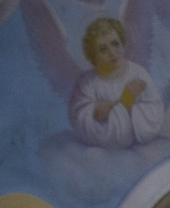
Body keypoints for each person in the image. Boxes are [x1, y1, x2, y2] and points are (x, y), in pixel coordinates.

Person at [66, 19, 162, 152]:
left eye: (115, 44)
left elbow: (155, 110)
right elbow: (78, 117)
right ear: (93, 56)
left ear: (122, 43)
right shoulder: (87, 83)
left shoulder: (138, 73)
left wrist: (130, 109)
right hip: (102, 155)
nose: (112, 52)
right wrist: (95, 113)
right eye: (103, 49)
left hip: (139, 150)